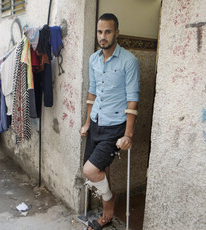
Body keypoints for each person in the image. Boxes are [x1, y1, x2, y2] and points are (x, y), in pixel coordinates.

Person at [79, 13, 140, 230]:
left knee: (90, 171)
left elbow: (133, 100)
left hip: (115, 126)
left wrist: (128, 135)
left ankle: (108, 204)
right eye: (99, 31)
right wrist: (87, 122)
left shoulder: (129, 61)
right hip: (96, 122)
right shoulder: (93, 59)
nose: (103, 36)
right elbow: (92, 93)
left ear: (117, 32)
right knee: (97, 170)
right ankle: (108, 207)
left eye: (108, 31)